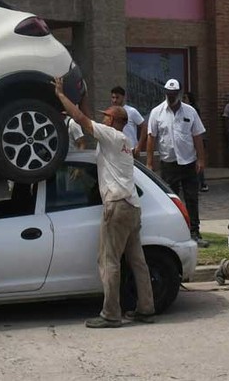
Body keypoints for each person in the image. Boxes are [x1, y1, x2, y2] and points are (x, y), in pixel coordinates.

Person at [54, 76, 156, 328]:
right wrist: (83, 94)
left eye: (107, 116)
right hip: (132, 206)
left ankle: (111, 314)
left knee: (108, 260)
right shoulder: (122, 141)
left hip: (117, 206)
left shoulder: (111, 136)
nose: (103, 118)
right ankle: (146, 308)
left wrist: (60, 95)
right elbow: (87, 118)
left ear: (115, 122)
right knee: (137, 261)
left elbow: (81, 120)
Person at [146, 79, 210, 248]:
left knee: (191, 198)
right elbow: (151, 138)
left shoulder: (190, 112)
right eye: (168, 94)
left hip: (188, 162)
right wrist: (150, 162)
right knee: (171, 200)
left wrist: (201, 160)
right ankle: (174, 232)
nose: (171, 97)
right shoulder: (157, 112)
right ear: (165, 93)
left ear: (179, 94)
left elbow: (197, 137)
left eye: (174, 94)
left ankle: (194, 232)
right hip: (169, 163)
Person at [182, 92, 209, 193]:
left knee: (197, 161)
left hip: (195, 140)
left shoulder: (192, 110)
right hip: (189, 141)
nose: (183, 100)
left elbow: (197, 130)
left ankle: (202, 183)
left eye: (185, 98)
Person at [110, 86, 145, 157]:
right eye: (113, 97)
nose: (115, 100)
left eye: (117, 97)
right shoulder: (110, 112)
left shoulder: (131, 111)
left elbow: (144, 127)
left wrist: (139, 146)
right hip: (116, 150)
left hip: (131, 150)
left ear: (123, 97)